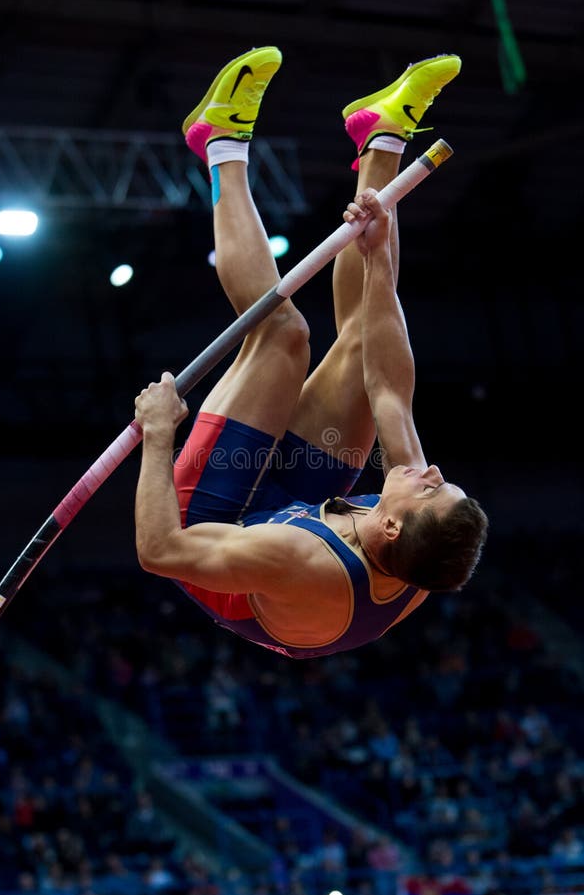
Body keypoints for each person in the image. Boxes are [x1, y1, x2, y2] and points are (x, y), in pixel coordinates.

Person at [134, 46, 488, 659]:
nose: (431, 472)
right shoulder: (424, 543)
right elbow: (389, 388)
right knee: (358, 346)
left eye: (431, 488)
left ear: (392, 524)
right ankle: (382, 135)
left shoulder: (304, 559)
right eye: (442, 482)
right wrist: (377, 257)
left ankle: (218, 142)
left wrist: (160, 432)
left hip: (215, 539)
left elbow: (161, 552)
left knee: (282, 335)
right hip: (307, 517)